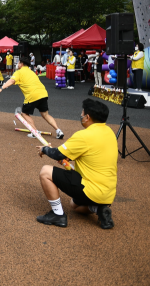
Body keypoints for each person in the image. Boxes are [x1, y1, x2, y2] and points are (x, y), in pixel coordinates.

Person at [35, 98, 116, 229]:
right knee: (74, 205)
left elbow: (58, 154)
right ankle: (98, 208)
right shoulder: (110, 132)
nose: (81, 116)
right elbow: (82, 154)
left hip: (91, 188)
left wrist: (44, 149)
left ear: (87, 117)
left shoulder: (84, 136)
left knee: (45, 171)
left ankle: (58, 215)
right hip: (108, 193)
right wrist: (60, 155)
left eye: (82, 113)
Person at [0, 55, 64, 139]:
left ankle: (35, 131)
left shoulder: (19, 72)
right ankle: (58, 131)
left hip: (32, 95)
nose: (17, 64)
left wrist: (0, 89)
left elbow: (12, 80)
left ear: (22, 63)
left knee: (24, 113)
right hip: (43, 93)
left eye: (18, 62)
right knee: (45, 114)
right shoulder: (31, 71)